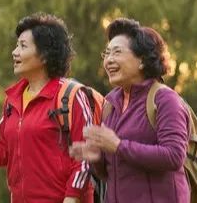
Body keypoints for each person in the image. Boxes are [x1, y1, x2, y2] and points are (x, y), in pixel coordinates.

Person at [0, 13, 93, 203]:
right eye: (16, 45)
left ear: (45, 55)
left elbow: (86, 156)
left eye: (23, 46)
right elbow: (6, 151)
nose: (14, 52)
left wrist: (71, 198)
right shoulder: (13, 101)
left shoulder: (70, 96)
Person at [70, 18, 190, 203]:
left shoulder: (165, 99)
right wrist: (97, 158)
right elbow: (111, 172)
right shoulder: (110, 102)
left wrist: (119, 145)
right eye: (107, 53)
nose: (109, 60)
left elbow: (174, 156)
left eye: (117, 52)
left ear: (142, 60)